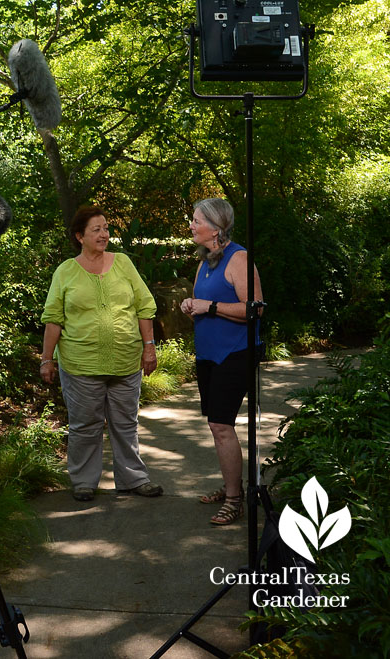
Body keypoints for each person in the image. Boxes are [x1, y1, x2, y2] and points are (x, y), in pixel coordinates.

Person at [40, 205, 163, 502]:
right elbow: (53, 317)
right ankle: (84, 481)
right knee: (85, 425)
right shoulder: (66, 271)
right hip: (81, 364)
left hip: (126, 361)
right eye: (96, 229)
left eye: (106, 228)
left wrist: (149, 347)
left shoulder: (122, 263)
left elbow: (144, 306)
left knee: (126, 424)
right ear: (79, 236)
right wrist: (47, 359)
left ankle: (133, 479)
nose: (104, 234)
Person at [180, 198, 263, 526]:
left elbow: (254, 310)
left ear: (215, 228)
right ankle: (231, 486)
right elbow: (204, 302)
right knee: (217, 426)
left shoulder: (239, 258)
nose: (191, 226)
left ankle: (234, 499)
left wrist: (209, 307)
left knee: (221, 425)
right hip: (208, 355)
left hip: (236, 353)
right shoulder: (205, 262)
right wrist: (191, 304)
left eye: (196, 221)